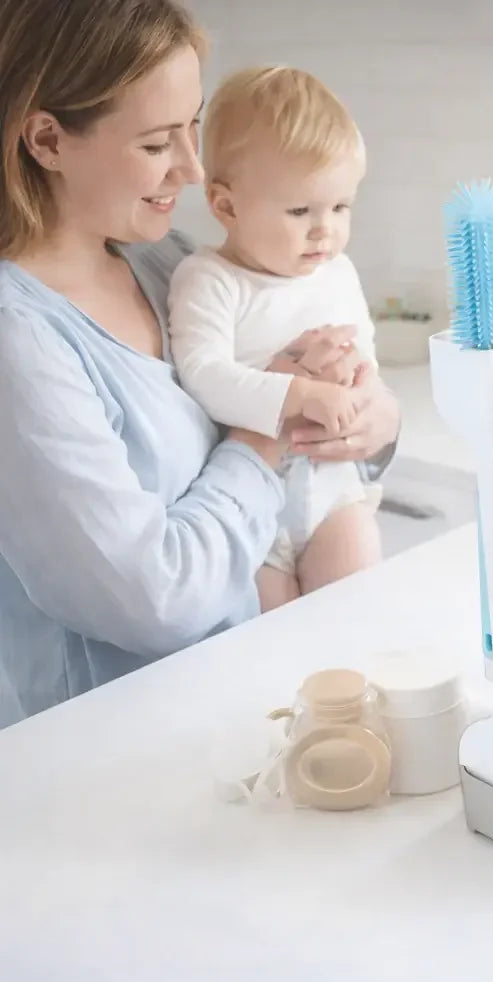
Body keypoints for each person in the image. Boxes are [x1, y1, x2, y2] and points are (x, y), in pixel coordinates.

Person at [0, 0, 401, 727]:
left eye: (194, 127)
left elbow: (310, 431)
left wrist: (374, 422)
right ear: (48, 140)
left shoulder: (167, 263)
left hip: (237, 724)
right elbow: (153, 599)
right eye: (157, 144)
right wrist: (269, 428)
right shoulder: (17, 341)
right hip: (105, 766)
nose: (192, 169)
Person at [168, 66, 383, 613]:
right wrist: (299, 396)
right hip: (251, 509)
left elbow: (367, 359)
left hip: (335, 494)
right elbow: (203, 374)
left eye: (340, 207)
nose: (325, 230)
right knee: (275, 655)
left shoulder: (337, 272)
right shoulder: (210, 279)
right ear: (227, 206)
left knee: (354, 622)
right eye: (300, 210)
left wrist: (366, 399)